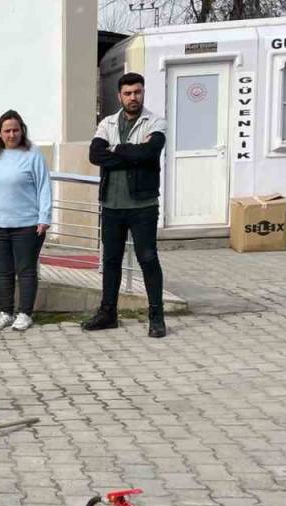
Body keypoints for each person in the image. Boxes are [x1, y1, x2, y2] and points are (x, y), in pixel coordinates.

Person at [85, 72, 168, 338]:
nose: (134, 97)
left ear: (143, 93)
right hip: (111, 204)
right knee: (110, 261)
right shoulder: (107, 123)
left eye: (138, 92)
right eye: (128, 93)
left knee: (148, 258)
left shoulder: (155, 122)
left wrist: (116, 150)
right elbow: (95, 155)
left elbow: (150, 152)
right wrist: (131, 152)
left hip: (142, 204)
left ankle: (156, 316)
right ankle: (108, 313)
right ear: (120, 95)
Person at [0, 110, 51, 333]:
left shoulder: (33, 154)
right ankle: (5, 312)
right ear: (0, 134)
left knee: (26, 270)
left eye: (15, 130)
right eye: (7, 130)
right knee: (3, 271)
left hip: (27, 224)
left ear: (22, 130)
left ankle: (25, 313)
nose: (12, 134)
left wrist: (44, 217)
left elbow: (44, 187)